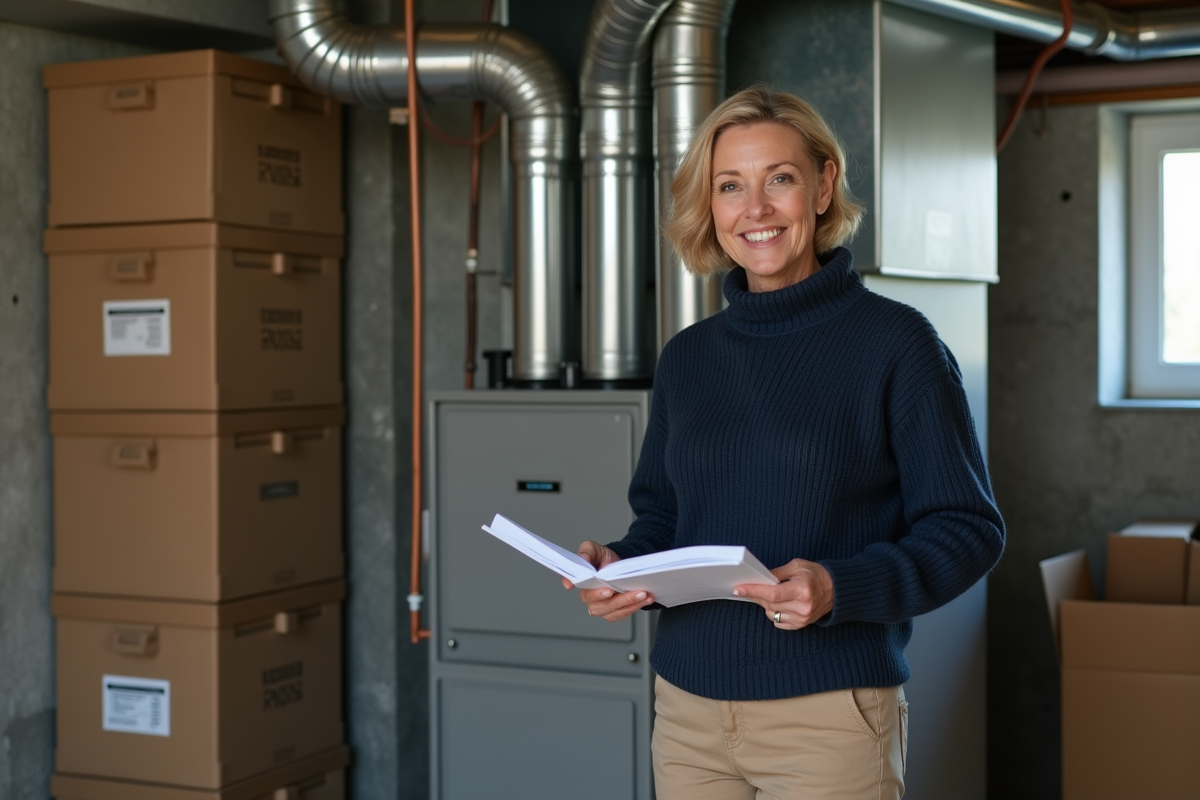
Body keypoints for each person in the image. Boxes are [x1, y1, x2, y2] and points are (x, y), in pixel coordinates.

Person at [563, 86, 1005, 800]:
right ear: (709, 206)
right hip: (688, 711)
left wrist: (839, 587)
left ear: (824, 186)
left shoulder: (897, 344)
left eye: (781, 180)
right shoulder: (688, 357)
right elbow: (667, 521)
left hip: (828, 715)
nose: (755, 210)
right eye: (730, 186)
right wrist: (621, 566)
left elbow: (968, 530)